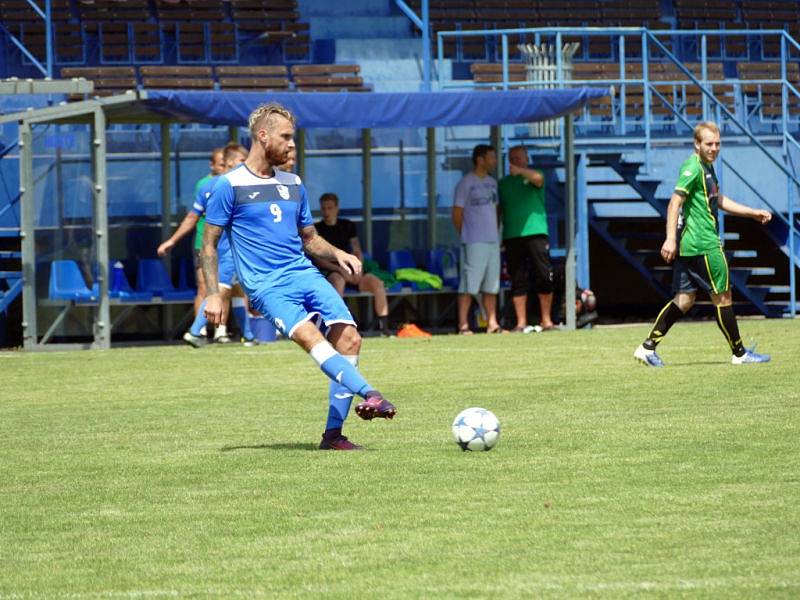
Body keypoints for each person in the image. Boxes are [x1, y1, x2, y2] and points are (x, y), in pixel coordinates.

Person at [202, 102, 396, 450]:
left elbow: (309, 239)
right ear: (263, 136)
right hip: (267, 286)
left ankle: (333, 436)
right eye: (287, 137)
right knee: (312, 338)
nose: (293, 145)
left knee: (350, 338)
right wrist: (214, 293)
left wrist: (338, 254)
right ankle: (372, 393)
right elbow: (209, 246)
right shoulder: (228, 186)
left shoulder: (293, 183)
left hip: (303, 273)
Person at [634, 121, 772, 367]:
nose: (714, 148)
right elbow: (674, 203)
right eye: (709, 144)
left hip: (691, 246)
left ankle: (647, 347)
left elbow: (717, 200)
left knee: (685, 300)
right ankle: (739, 353)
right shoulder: (692, 167)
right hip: (704, 244)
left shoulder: (707, 168)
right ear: (696, 144)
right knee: (723, 296)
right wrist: (669, 238)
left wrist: (751, 212)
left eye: (718, 143)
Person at [181, 143, 256, 347]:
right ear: (230, 162)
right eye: (242, 160)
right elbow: (196, 216)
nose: (246, 164)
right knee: (220, 289)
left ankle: (248, 336)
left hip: (227, 246)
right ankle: (195, 331)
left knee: (238, 291)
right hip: (229, 247)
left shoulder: (215, 184)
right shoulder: (230, 185)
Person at [312, 192, 392, 337]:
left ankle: (384, 328)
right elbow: (317, 258)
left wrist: (357, 269)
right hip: (333, 271)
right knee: (338, 281)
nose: (327, 212)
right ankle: (338, 327)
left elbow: (357, 250)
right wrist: (339, 269)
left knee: (376, 283)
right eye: (324, 208)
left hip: (352, 270)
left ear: (337, 208)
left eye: (330, 208)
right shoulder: (317, 229)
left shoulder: (348, 225)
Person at [159, 147, 224, 318]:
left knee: (227, 288)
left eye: (227, 164)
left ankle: (221, 331)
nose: (224, 167)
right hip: (203, 243)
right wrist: (172, 240)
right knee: (204, 287)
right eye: (221, 164)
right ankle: (199, 331)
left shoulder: (235, 183)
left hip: (227, 245)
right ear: (212, 165)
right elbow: (192, 216)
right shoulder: (204, 185)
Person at [498, 145, 556, 332]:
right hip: (512, 236)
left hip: (536, 233)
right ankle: (521, 322)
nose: (514, 161)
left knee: (543, 275)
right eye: (512, 158)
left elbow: (538, 180)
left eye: (518, 157)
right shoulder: (504, 183)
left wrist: (522, 171)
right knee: (517, 278)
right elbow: (499, 209)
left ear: (526, 159)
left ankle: (546, 320)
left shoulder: (534, 175)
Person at [452, 144, 504, 334]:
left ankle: (492, 323)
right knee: (469, 284)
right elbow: (457, 213)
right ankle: (463, 324)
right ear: (480, 159)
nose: (494, 161)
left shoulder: (492, 182)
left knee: (492, 284)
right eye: (491, 157)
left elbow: (496, 210)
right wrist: (466, 234)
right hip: (474, 242)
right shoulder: (466, 183)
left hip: (492, 241)